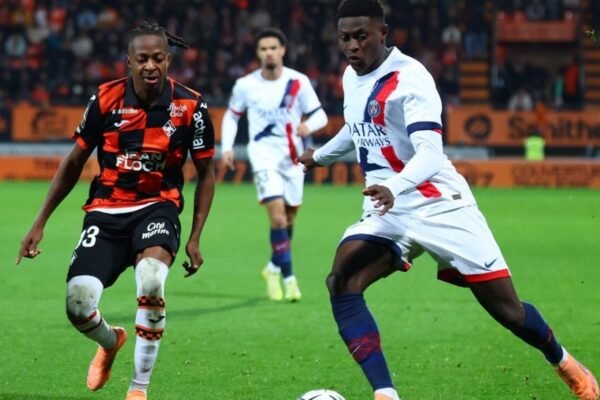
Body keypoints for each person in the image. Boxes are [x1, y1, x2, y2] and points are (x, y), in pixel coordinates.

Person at [298, 1, 599, 400]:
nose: (352, 46)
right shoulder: (352, 76)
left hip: (440, 204)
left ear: (383, 34)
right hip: (389, 210)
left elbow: (430, 154)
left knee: (508, 312)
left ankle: (564, 361)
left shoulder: (410, 79)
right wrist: (319, 157)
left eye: (361, 37)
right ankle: (385, 393)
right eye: (345, 38)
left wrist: (395, 186)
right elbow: (357, 128)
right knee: (342, 280)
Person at [16, 21, 216, 400]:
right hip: (106, 212)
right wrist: (39, 222)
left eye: (158, 58)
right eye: (142, 59)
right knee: (78, 303)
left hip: (158, 208)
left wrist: (194, 237)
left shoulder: (191, 105)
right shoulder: (105, 99)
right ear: (129, 62)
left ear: (168, 60)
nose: (150, 66)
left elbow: (207, 173)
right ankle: (111, 342)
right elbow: (74, 162)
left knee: (152, 281)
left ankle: (138, 389)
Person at [221, 27, 328, 302]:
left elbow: (321, 116)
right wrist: (227, 147)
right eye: (263, 49)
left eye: (273, 47)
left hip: (293, 158)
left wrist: (308, 126)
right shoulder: (246, 85)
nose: (268, 52)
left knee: (289, 219)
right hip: (263, 156)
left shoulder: (298, 82)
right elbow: (232, 116)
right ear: (258, 53)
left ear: (282, 50)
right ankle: (290, 280)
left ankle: (272, 268)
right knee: (278, 217)